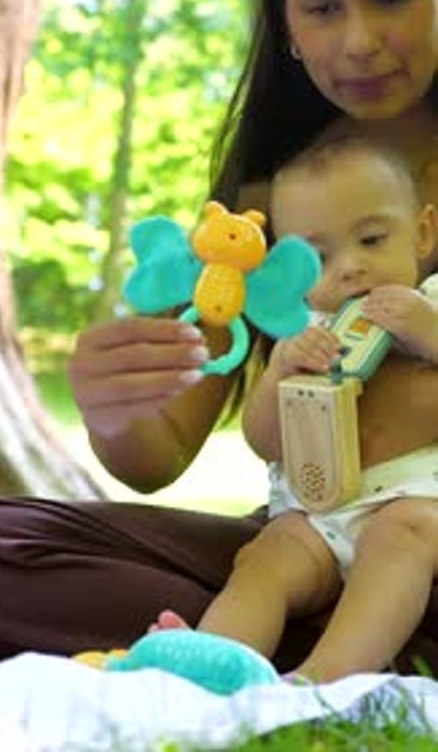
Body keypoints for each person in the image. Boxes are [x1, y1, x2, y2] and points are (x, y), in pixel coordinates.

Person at [0, 0, 437, 672]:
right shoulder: (264, 205)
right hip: (302, 551)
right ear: (284, 24)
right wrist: (115, 404)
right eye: (321, 8)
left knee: (400, 548)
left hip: (422, 537)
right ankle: (271, 659)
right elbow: (157, 455)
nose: (359, 40)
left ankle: (306, 655)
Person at [151, 137, 438, 682]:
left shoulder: (432, 300)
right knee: (262, 560)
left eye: (373, 240)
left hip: (417, 508)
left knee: (403, 536)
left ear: (423, 232)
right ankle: (210, 665)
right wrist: (282, 373)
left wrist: (427, 330)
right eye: (320, 258)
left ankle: (321, 683)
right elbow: (264, 443)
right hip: (316, 516)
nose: (352, 269)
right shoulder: (303, 331)